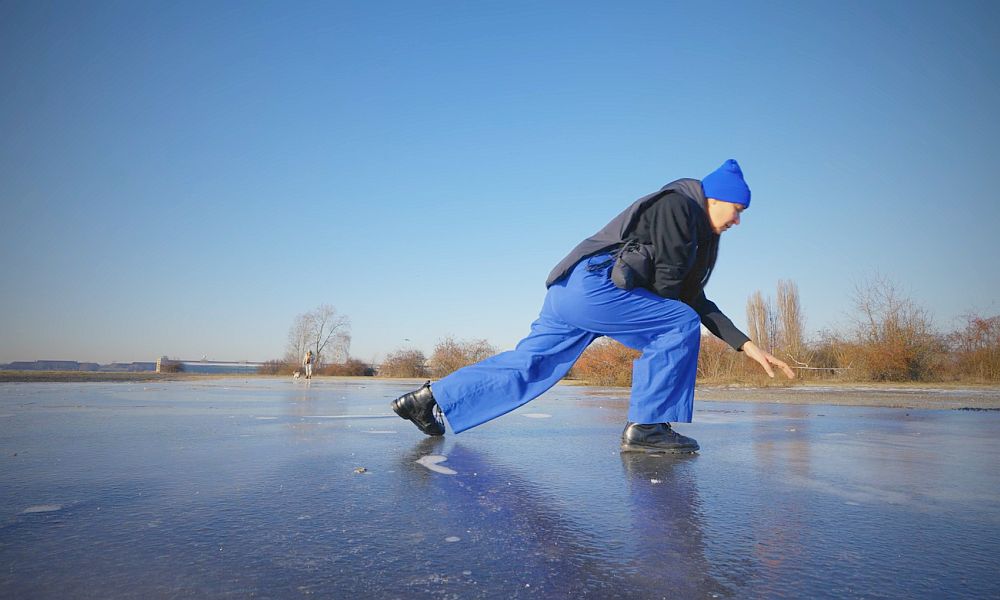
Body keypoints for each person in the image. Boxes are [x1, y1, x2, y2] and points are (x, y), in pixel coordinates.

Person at [392, 159, 794, 453]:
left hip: (571, 290)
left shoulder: (690, 221)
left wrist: (744, 344)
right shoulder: (680, 206)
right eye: (737, 211)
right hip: (596, 286)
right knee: (678, 324)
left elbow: (689, 294)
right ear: (717, 198)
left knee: (531, 361)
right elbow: (675, 294)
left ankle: (430, 399)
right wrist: (674, 332)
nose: (738, 221)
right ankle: (648, 427)